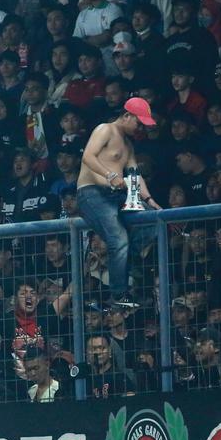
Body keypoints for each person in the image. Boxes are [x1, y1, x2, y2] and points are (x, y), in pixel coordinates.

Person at [75, 98, 161, 311]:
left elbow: (134, 175)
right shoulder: (105, 129)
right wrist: (110, 174)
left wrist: (149, 200)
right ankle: (119, 294)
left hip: (115, 195)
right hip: (91, 193)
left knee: (151, 221)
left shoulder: (129, 145)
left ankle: (130, 268)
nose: (139, 128)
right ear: (126, 115)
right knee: (118, 238)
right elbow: (88, 156)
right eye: (138, 123)